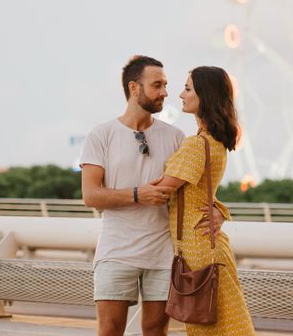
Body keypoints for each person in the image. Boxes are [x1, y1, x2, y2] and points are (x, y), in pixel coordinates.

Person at [79, 55, 229, 336]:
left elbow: (195, 184)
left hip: (164, 253)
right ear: (134, 88)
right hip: (116, 252)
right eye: (157, 85)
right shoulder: (101, 135)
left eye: (166, 84)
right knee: (109, 329)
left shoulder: (175, 137)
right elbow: (91, 195)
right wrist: (138, 195)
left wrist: (219, 210)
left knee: (156, 329)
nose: (165, 92)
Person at [155, 66, 255, 335]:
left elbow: (162, 189)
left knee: (207, 327)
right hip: (210, 247)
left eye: (187, 89)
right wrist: (219, 209)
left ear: (205, 95)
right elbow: (203, 190)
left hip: (198, 249)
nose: (180, 95)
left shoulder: (197, 145)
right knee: (228, 322)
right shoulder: (215, 142)